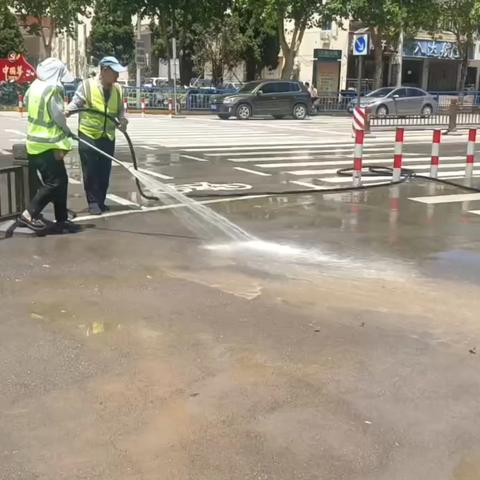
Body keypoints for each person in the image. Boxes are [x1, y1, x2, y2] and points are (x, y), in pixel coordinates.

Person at [18, 57, 80, 234]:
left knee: (61, 180)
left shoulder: (34, 87)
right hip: (49, 144)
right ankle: (29, 214)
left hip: (35, 143)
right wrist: (67, 130)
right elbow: (58, 115)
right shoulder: (54, 89)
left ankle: (62, 219)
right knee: (55, 182)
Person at [67, 56, 128, 215]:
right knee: (91, 170)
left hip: (108, 135)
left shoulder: (118, 89)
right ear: (104, 70)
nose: (117, 77)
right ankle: (93, 202)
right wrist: (68, 110)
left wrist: (123, 121)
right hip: (89, 134)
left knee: (104, 170)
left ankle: (101, 200)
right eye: (115, 72)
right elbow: (77, 102)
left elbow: (120, 110)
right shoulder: (87, 86)